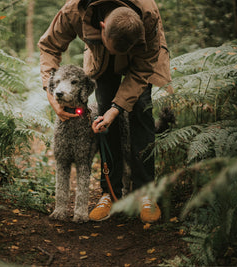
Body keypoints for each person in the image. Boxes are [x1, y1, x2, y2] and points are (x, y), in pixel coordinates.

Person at [38, 0, 171, 222]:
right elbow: (49, 46)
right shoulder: (74, 10)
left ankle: (145, 193)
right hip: (101, 60)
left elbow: (143, 67)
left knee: (140, 113)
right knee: (103, 119)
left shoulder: (148, 15)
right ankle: (110, 192)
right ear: (101, 26)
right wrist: (51, 93)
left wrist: (117, 108)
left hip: (142, 60)